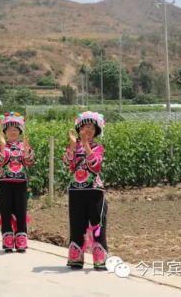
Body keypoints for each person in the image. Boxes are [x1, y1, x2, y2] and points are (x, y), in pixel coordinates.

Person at [63, 111, 108, 270]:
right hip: (76, 191)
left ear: (96, 131)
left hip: (94, 191)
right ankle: (76, 257)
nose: (88, 130)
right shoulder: (74, 147)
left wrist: (85, 144)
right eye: (85, 127)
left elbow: (95, 165)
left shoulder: (97, 147)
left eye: (91, 127)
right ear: (79, 129)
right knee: (76, 225)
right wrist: (73, 146)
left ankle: (99, 259)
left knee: (97, 225)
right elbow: (68, 164)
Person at [0, 112, 34, 252]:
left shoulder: (24, 145)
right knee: (5, 211)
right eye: (9, 129)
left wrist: (28, 152)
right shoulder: (0, 146)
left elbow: (29, 163)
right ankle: (8, 241)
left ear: (20, 131)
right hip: (5, 183)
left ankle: (21, 240)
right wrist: (4, 147)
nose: (12, 131)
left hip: (21, 183)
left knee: (21, 211)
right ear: (5, 131)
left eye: (15, 129)